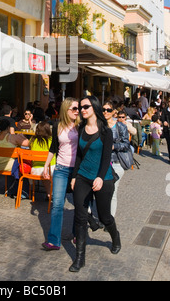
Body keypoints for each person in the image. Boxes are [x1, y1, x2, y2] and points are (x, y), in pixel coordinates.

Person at [69, 96, 121, 273]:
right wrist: (75, 176)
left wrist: (99, 177)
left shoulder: (106, 131)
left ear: (94, 108)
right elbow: (79, 155)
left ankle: (115, 237)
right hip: (83, 176)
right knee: (80, 216)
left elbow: (106, 158)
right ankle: (79, 258)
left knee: (105, 217)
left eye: (85, 106)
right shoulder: (81, 128)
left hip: (103, 178)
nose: (82, 109)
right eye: (80, 107)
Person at [41, 97, 80, 251]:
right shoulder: (57, 126)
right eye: (74, 109)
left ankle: (78, 233)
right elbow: (53, 147)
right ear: (66, 110)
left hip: (77, 171)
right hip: (61, 169)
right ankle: (54, 240)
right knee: (57, 204)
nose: (78, 111)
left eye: (78, 108)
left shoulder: (81, 126)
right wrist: (46, 165)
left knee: (79, 204)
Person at [103, 101, 130, 218]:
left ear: (114, 112)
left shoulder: (120, 126)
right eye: (103, 109)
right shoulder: (99, 125)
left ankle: (110, 219)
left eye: (108, 110)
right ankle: (102, 215)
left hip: (116, 163)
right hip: (101, 163)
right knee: (101, 193)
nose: (105, 112)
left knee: (112, 192)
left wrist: (114, 146)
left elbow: (126, 144)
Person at [29, 121, 56, 199]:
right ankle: (51, 193)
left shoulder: (32, 139)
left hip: (34, 170)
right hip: (50, 170)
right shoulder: (51, 140)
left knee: (45, 173)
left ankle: (49, 193)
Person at [161, 97, 170, 165]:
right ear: (168, 102)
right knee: (169, 144)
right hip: (167, 130)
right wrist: (164, 122)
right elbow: (162, 118)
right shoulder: (165, 110)